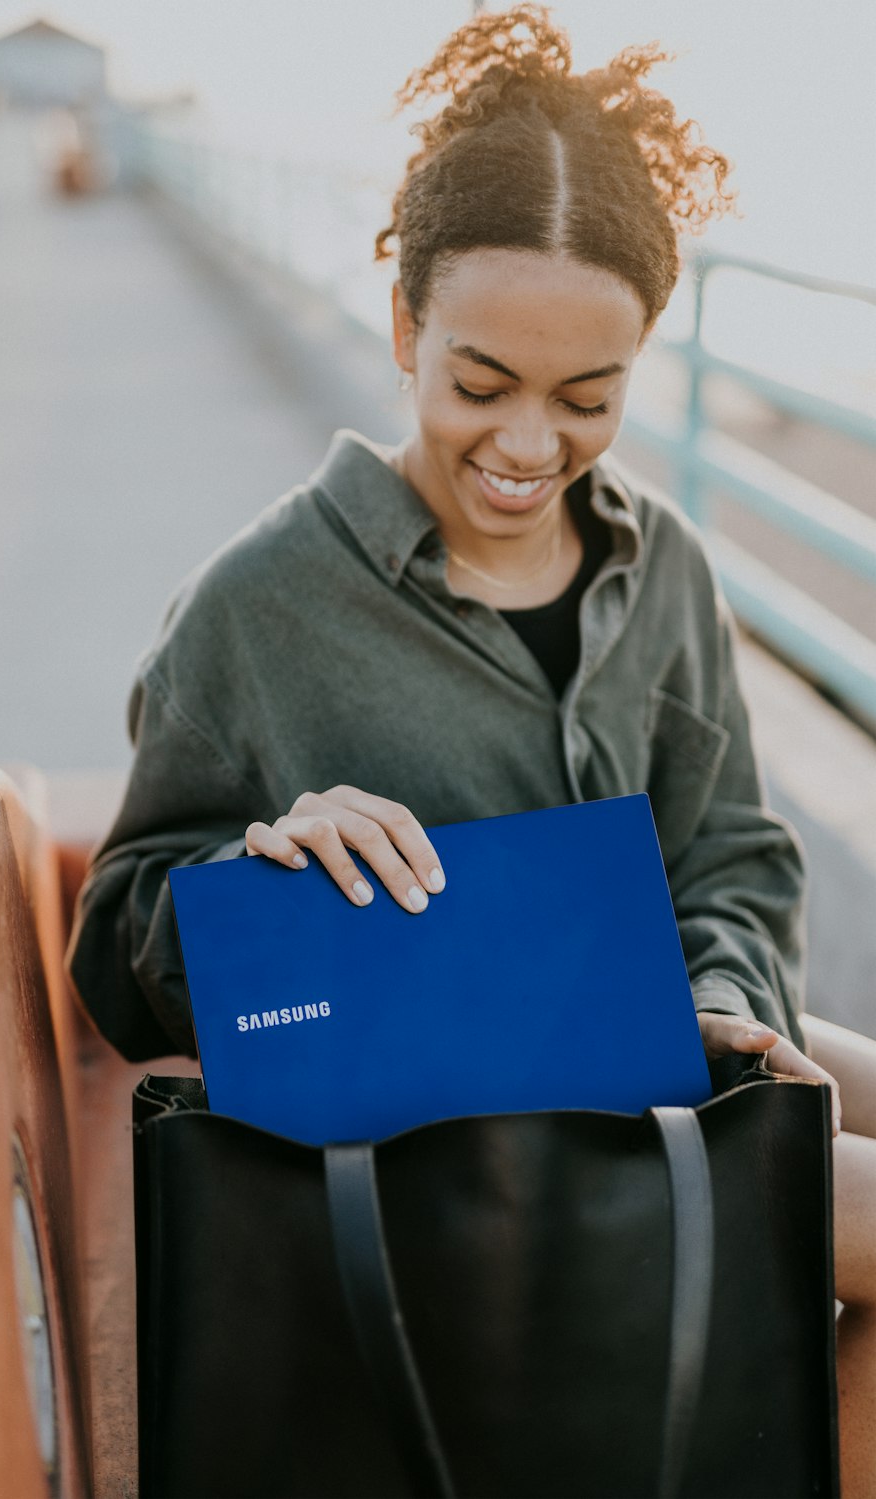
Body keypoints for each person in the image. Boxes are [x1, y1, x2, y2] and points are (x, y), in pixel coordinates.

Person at [67, 7, 875, 1490]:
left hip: (649, 1049)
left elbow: (733, 849)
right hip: (444, 1139)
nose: (527, 444)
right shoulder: (256, 607)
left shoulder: (667, 568)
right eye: (479, 379)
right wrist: (267, 859)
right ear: (401, 328)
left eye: (591, 399)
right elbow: (118, 947)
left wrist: (719, 987)